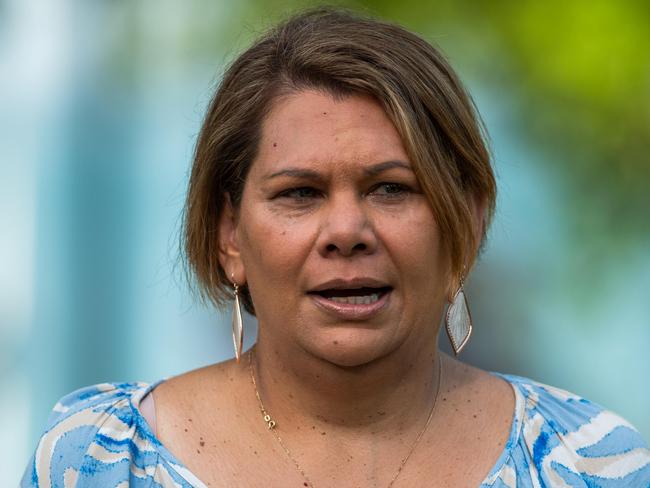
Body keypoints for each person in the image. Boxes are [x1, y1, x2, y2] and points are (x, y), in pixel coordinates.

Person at [22, 8, 650, 488]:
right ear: (228, 234)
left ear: (467, 221)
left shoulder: (590, 461)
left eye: (390, 188)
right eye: (300, 193)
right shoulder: (101, 458)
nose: (346, 231)